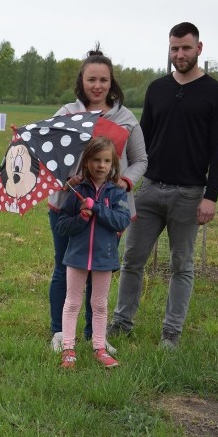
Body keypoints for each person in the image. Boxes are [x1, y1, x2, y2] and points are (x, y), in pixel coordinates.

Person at [108, 22, 218, 350]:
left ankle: (170, 335)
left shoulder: (216, 94)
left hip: (189, 195)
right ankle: (121, 324)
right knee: (131, 260)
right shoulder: (157, 89)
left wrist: (211, 196)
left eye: (186, 48)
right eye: (174, 48)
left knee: (182, 266)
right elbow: (140, 139)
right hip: (148, 189)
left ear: (199, 49)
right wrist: (122, 177)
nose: (179, 54)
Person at [48, 48, 148, 353]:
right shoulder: (66, 114)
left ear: (111, 82)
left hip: (109, 209)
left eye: (103, 79)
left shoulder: (126, 118)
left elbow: (140, 159)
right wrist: (68, 177)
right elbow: (49, 156)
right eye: (91, 79)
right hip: (69, 204)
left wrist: (124, 181)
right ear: (82, 80)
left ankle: (96, 335)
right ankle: (59, 333)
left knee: (99, 269)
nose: (97, 85)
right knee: (64, 266)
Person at [56, 136, 131, 369]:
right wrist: (80, 218)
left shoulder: (117, 194)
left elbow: (121, 221)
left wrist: (96, 207)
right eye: (96, 160)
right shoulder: (75, 191)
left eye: (106, 161)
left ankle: (99, 346)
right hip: (76, 257)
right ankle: (68, 348)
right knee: (72, 303)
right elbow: (62, 225)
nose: (101, 165)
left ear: (113, 164)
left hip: (104, 258)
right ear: (86, 162)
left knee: (99, 304)